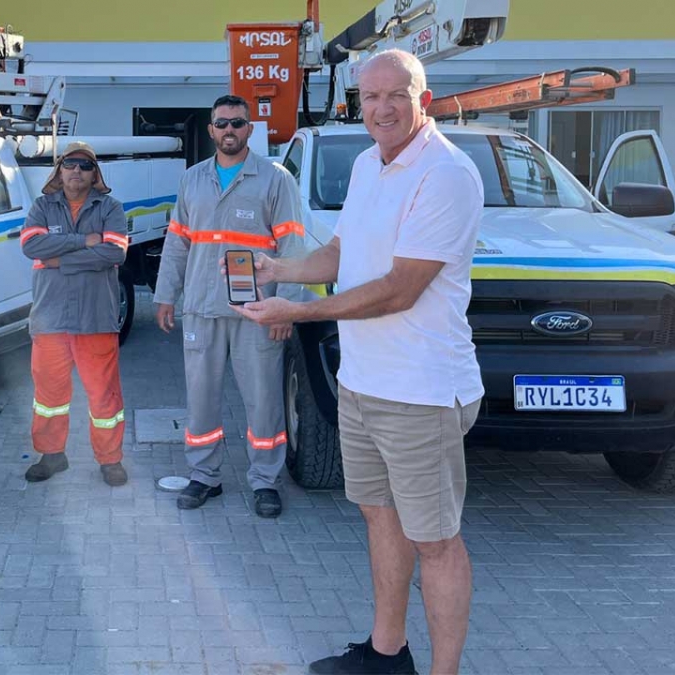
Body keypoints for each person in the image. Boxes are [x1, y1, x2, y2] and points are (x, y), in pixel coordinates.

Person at [231, 50, 484, 674]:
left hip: (421, 392)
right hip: (363, 382)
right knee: (379, 515)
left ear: (424, 99)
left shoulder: (446, 174)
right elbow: (343, 252)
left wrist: (297, 312)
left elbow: (399, 290)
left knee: (436, 541)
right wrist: (280, 269)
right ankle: (386, 654)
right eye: (371, 96)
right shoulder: (371, 164)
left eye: (397, 95)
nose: (382, 108)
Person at [152, 94, 305, 518]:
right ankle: (204, 476)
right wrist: (165, 295)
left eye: (237, 123)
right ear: (211, 130)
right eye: (222, 123)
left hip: (256, 310)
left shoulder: (275, 179)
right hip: (202, 306)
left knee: (263, 398)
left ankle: (265, 480)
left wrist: (286, 306)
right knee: (200, 398)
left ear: (250, 129)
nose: (229, 130)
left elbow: (293, 247)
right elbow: (177, 242)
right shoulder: (193, 179)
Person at [20, 141, 129, 486]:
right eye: (70, 164)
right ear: (59, 170)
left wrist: (59, 260)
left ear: (95, 174)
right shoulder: (42, 206)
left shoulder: (110, 208)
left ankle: (110, 460)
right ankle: (52, 455)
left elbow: (115, 253)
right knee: (49, 395)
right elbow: (31, 245)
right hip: (50, 318)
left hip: (95, 318)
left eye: (85, 165)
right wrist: (83, 241)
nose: (77, 171)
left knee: (104, 394)